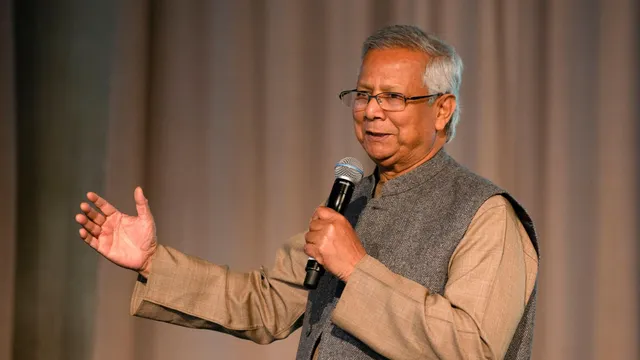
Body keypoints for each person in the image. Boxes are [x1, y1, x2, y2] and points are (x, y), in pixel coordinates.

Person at [75, 25, 539, 360]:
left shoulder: (485, 212)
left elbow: (472, 348)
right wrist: (154, 261)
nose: (371, 111)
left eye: (393, 97)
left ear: (443, 111)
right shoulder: (352, 200)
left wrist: (357, 269)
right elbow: (266, 302)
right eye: (362, 94)